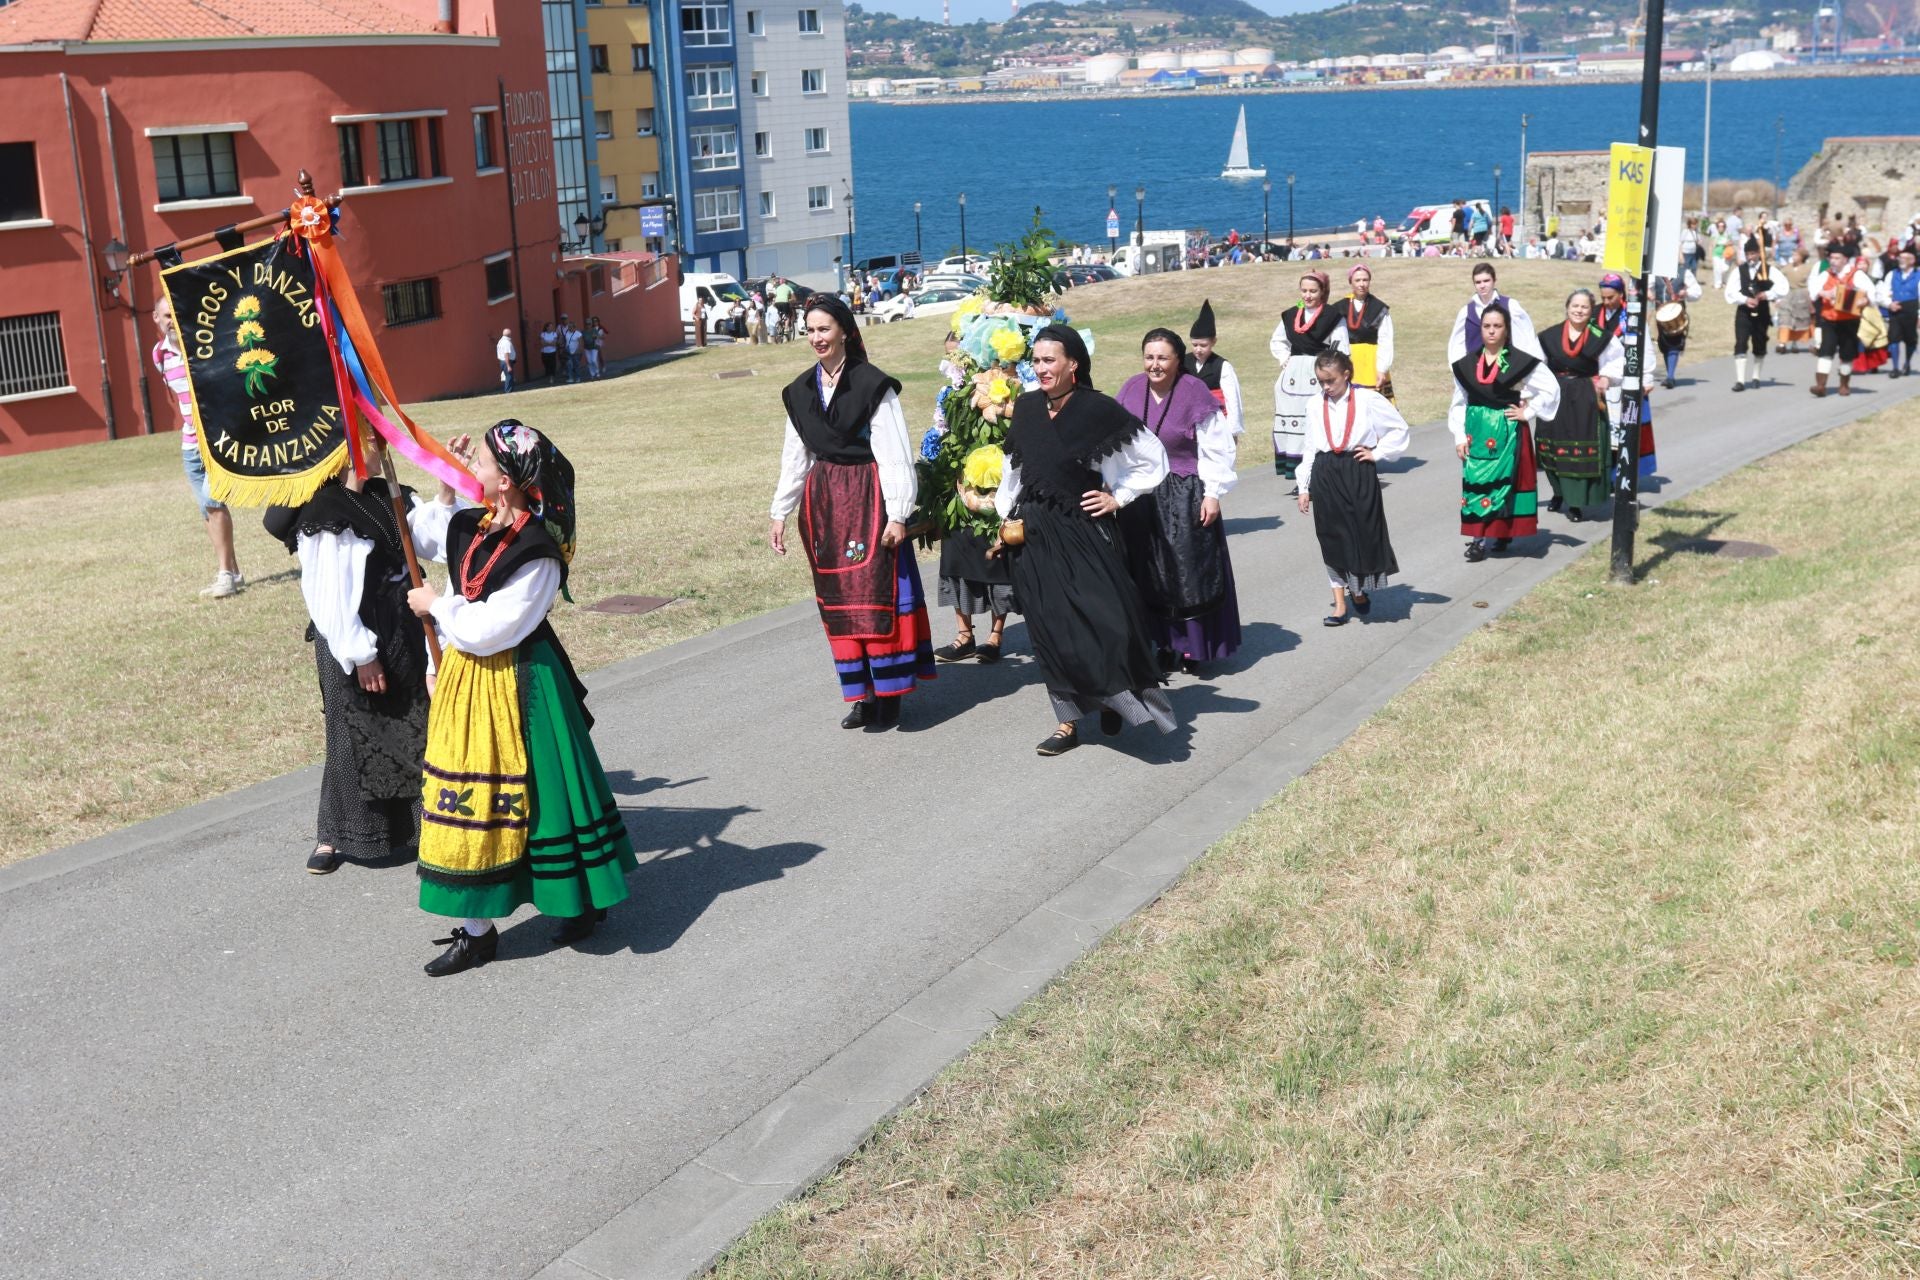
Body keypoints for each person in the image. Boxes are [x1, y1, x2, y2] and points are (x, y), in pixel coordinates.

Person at [405, 421, 636, 977]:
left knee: (545, 798)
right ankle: (477, 932)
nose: (473, 467)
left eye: (481, 462)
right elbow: (423, 540)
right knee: (469, 806)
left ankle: (576, 900)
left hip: (523, 682)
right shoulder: (475, 522)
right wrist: (442, 486)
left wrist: (437, 608)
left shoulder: (539, 552)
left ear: (505, 480)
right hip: (467, 680)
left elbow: (494, 628)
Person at [993, 325, 1173, 756]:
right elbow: (1013, 470)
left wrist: (1118, 497)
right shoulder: (1027, 407)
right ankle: (1067, 722)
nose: (1041, 368)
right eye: (1036, 361)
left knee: (1107, 622)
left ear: (1073, 363)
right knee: (1051, 629)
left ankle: (1113, 697)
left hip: (1083, 531)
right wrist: (1005, 515)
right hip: (1035, 534)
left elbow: (1153, 458)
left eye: (1049, 360)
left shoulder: (1098, 409)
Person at [266, 429, 431, 876]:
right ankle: (334, 835)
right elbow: (328, 598)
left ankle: (421, 829)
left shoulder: (391, 494)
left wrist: (450, 494)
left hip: (400, 630)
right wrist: (360, 654)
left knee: (412, 725)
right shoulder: (324, 513)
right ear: (352, 450)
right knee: (349, 735)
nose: (385, 446)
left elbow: (428, 539)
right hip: (349, 639)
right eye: (375, 439)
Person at [769, 295, 934, 730]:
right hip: (824, 508)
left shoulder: (872, 384)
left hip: (869, 498)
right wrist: (780, 512)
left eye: (824, 329)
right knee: (839, 601)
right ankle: (862, 694)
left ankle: (890, 693)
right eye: (810, 330)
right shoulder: (800, 391)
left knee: (877, 595)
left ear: (844, 330)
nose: (816, 338)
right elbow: (795, 458)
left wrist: (898, 514)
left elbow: (895, 454)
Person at [1115, 328, 1241, 674]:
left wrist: (1212, 494)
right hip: (1140, 495)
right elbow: (1115, 441)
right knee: (1147, 571)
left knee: (1186, 573)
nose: (1154, 364)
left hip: (1184, 493)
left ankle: (1191, 646)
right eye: (1149, 357)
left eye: (1163, 357)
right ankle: (1161, 643)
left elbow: (1216, 447)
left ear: (1177, 360)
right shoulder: (1131, 389)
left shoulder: (1193, 391)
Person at [1296, 349, 1410, 626]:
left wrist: (1377, 453)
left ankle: (1357, 591)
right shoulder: (1314, 404)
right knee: (1331, 537)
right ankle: (1339, 605)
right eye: (1321, 381)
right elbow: (1310, 446)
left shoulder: (1367, 399)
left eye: (1330, 380)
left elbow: (1399, 429)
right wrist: (1304, 486)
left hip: (1357, 469)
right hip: (1325, 471)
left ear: (1346, 374)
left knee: (1361, 534)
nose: (1325, 386)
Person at [928, 335, 1015, 666]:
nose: (955, 363)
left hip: (995, 482)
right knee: (955, 555)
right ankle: (964, 636)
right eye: (951, 356)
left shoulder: (1001, 385)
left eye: (959, 356)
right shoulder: (950, 393)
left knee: (995, 558)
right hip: (961, 483)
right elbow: (941, 430)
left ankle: (995, 636)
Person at [1448, 302, 1559, 563]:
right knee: (1477, 482)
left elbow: (1551, 388)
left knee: (1507, 484)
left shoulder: (1519, 362)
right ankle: (1478, 539)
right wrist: (1459, 436)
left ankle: (1501, 533)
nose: (1491, 331)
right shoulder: (1466, 365)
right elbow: (1459, 402)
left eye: (1497, 326)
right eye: (1486, 326)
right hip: (1477, 433)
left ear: (1506, 330)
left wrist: (1528, 412)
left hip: (1508, 431)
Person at [153, 297, 244, 599]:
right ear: (156, 318)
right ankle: (233, 571)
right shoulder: (159, 356)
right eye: (166, 315)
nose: (171, 321)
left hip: (217, 442)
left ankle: (225, 575)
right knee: (206, 508)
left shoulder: (204, 348)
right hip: (190, 446)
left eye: (175, 314)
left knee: (214, 503)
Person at [1535, 289, 1622, 524]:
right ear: (1567, 307)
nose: (1579, 310)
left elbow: (1616, 361)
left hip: (1585, 397)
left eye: (1584, 307)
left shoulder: (1600, 337)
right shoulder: (1549, 336)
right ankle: (1558, 492)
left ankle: (1575, 502)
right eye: (1575, 306)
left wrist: (1606, 378)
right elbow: (1536, 366)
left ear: (1591, 310)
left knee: (1577, 452)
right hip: (1555, 395)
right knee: (1552, 448)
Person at [1268, 270, 1344, 485]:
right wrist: (1285, 359)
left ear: (1322, 292)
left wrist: (1330, 370)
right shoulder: (1291, 315)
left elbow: (1341, 346)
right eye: (1304, 291)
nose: (1308, 295)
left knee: (1316, 423)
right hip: (1292, 377)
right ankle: (1300, 479)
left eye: (1313, 291)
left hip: (1319, 374)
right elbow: (1278, 340)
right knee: (1294, 426)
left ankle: (1320, 475)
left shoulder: (1332, 316)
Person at [1809, 243, 1871, 397]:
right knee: (1825, 351)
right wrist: (1824, 293)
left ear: (1845, 260)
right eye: (1832, 258)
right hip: (1829, 319)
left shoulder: (1856, 274)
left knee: (1847, 354)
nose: (1833, 261)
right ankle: (1820, 386)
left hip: (1849, 320)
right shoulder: (1826, 274)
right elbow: (1813, 290)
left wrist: (1864, 300)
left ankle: (1844, 385)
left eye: (1837, 258)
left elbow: (1871, 292)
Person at [1448, 262, 1542, 362]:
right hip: (1475, 368)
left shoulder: (1510, 306)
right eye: (1478, 282)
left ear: (1494, 280)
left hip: (1505, 366)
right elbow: (1457, 345)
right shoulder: (1466, 312)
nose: (1482, 285)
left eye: (1486, 281)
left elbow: (1525, 339)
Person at [1726, 236, 1786, 391]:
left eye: (1752, 253)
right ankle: (1740, 381)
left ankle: (1756, 377)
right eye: (1747, 254)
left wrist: (1767, 294)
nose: (1750, 257)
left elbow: (1783, 287)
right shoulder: (1739, 271)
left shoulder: (1769, 270)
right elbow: (1730, 292)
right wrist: (1745, 299)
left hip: (1762, 311)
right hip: (1744, 312)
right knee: (1741, 342)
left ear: (1759, 253)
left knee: (1760, 343)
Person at [1183, 299, 1245, 437]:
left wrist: (1232, 431)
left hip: (1215, 424)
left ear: (1213, 342)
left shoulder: (1222, 366)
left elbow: (1232, 400)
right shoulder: (1183, 362)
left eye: (1203, 345)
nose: (1198, 349)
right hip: (1189, 422)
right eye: (1194, 345)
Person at [1336, 264, 1395, 400]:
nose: (1361, 284)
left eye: (1365, 280)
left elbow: (1386, 339)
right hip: (1347, 362)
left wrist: (1381, 369)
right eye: (1357, 280)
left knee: (1374, 404)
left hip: (1372, 363)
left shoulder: (1379, 308)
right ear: (1350, 282)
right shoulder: (1339, 307)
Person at [1650, 266, 1702, 388]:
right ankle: (1670, 375)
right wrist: (1649, 293)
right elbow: (1648, 288)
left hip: (1677, 315)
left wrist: (1686, 293)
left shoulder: (1684, 272)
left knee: (1674, 343)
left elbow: (1697, 291)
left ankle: (1670, 377)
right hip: (1661, 314)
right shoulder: (1655, 273)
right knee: (1664, 344)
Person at [1877, 245, 1919, 378]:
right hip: (1895, 309)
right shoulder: (1892, 274)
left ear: (1912, 260)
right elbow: (1883, 291)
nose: (1901, 260)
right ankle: (1895, 368)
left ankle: (1907, 363)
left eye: (1905, 258)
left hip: (1912, 309)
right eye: (1900, 257)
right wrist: (1889, 304)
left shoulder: (1918, 275)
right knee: (1893, 338)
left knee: (1910, 339)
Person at [1777, 247, 1817, 353]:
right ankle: (1782, 343)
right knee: (1785, 318)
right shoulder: (1787, 268)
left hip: (1802, 295)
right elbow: (1779, 280)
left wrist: (1811, 299)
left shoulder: (1808, 268)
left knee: (1799, 319)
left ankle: (1795, 343)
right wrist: (1778, 298)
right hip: (1788, 294)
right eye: (1793, 255)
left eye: (1796, 255)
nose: (1794, 257)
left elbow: (1812, 282)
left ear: (1802, 257)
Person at [495, 328, 516, 394]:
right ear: (509, 334)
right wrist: (508, 365)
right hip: (507, 361)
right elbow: (506, 354)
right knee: (509, 376)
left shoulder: (500, 341)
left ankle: (507, 390)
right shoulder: (506, 342)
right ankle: (508, 391)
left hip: (502, 361)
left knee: (506, 376)